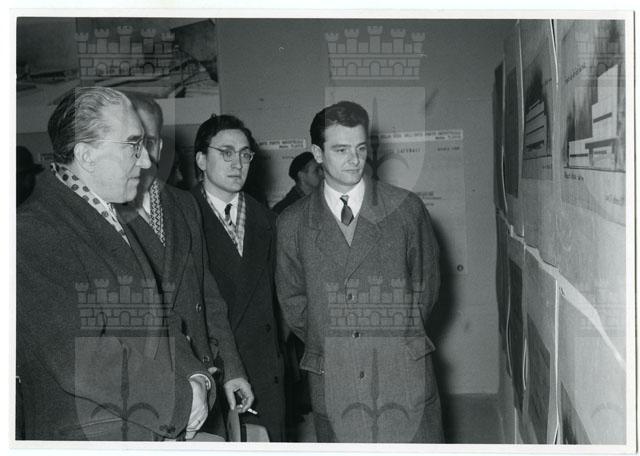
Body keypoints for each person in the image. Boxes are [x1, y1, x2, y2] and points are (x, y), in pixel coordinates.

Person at [17, 87, 212, 441]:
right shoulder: (33, 231)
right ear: (86, 155)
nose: (147, 161)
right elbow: (81, 360)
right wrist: (181, 399)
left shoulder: (103, 213)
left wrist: (194, 375)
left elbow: (153, 318)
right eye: (133, 145)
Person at [275, 100, 443, 443]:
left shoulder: (406, 209)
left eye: (361, 148)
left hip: (401, 369)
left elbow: (426, 286)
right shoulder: (292, 223)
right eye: (341, 150)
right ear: (317, 154)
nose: (354, 159)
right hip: (335, 375)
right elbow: (293, 301)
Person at [116, 93, 255, 439]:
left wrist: (233, 368)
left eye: (150, 141)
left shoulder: (183, 204)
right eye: (132, 143)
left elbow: (207, 294)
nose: (143, 154)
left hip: (203, 373)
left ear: (161, 146)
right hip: (149, 388)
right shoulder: (107, 210)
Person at [191, 114, 286, 441]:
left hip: (264, 373)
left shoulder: (269, 221)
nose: (238, 163)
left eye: (245, 154)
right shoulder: (182, 218)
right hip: (209, 373)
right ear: (201, 160)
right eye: (226, 153)